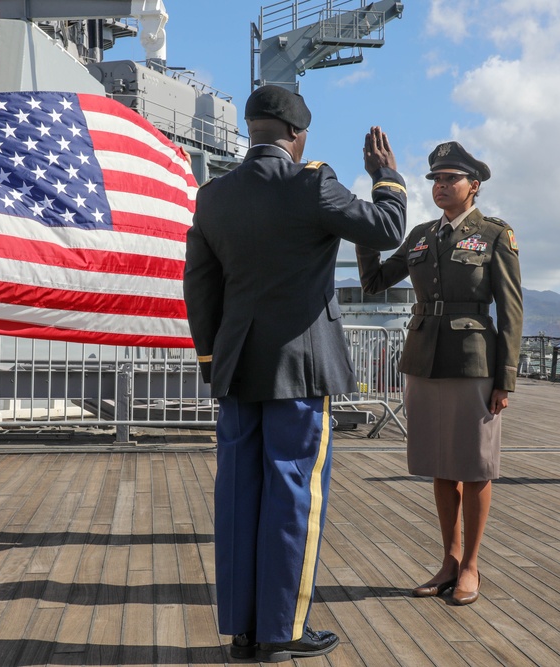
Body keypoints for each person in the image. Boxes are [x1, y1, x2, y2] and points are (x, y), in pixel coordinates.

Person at [183, 85, 406, 662]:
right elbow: (385, 229)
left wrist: (213, 359)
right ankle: (282, 630)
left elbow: (200, 289)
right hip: (301, 372)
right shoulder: (311, 183)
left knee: (237, 497)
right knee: (292, 496)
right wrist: (386, 177)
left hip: (236, 369)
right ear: (297, 135)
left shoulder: (213, 197)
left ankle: (242, 631)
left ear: (251, 130)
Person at [356, 141, 522, 606]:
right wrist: (364, 226)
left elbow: (511, 310)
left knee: (474, 466)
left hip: (474, 362)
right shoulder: (422, 236)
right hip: (425, 360)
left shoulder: (494, 235)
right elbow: (374, 282)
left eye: (451, 178)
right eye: (436, 179)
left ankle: (471, 565)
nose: (442, 186)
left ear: (475, 186)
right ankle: (447, 561)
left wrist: (505, 377)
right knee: (440, 466)